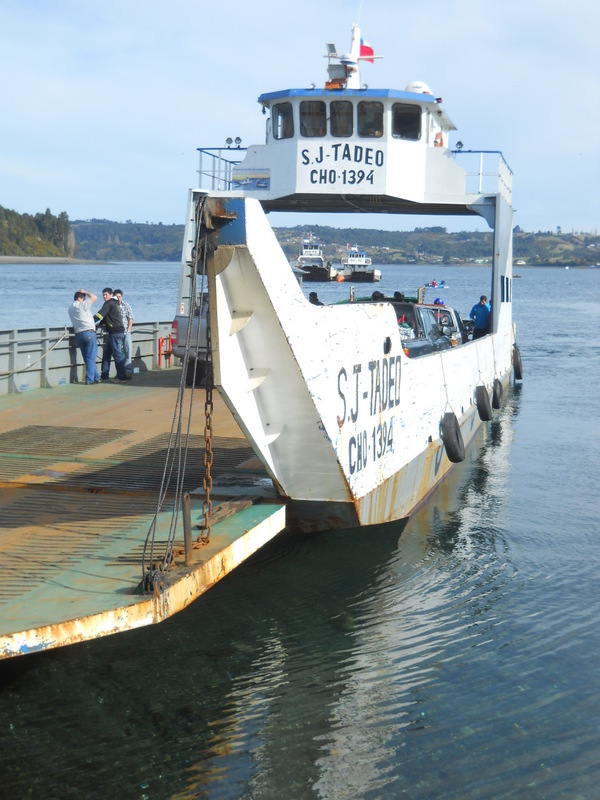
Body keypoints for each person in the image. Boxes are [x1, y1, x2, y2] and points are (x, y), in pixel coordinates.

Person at [94, 287, 130, 381]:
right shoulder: (115, 303)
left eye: (106, 295)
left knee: (117, 354)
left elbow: (100, 315)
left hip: (115, 332)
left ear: (111, 295)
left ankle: (122, 377)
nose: (104, 297)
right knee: (106, 354)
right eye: (103, 295)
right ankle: (104, 376)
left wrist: (90, 321)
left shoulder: (109, 303)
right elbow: (107, 317)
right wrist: (101, 323)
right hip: (115, 332)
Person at [68, 289, 101, 384]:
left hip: (78, 334)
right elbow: (94, 297)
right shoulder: (81, 305)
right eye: (83, 298)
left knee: (87, 358)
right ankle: (89, 379)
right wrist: (85, 291)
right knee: (91, 357)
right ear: (79, 298)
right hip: (88, 332)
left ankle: (96, 377)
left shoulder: (70, 308)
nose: (84, 300)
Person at [114, 289, 134, 375]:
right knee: (118, 353)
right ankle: (120, 372)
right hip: (117, 332)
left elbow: (130, 318)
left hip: (126, 331)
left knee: (127, 350)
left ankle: (128, 371)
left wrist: (128, 330)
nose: (118, 298)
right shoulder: (112, 306)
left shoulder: (126, 305)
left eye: (119, 297)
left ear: (121, 297)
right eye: (116, 297)